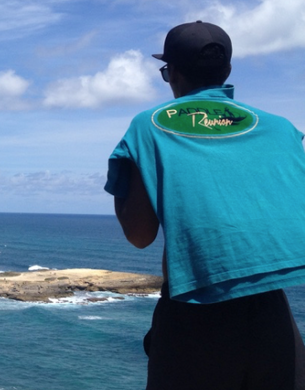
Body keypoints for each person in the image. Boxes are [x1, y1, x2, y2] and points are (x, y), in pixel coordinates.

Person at [104, 20, 305, 389]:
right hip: (272, 315)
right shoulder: (282, 128)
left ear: (172, 73)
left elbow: (139, 235)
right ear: (227, 71)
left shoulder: (147, 127)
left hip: (192, 314)